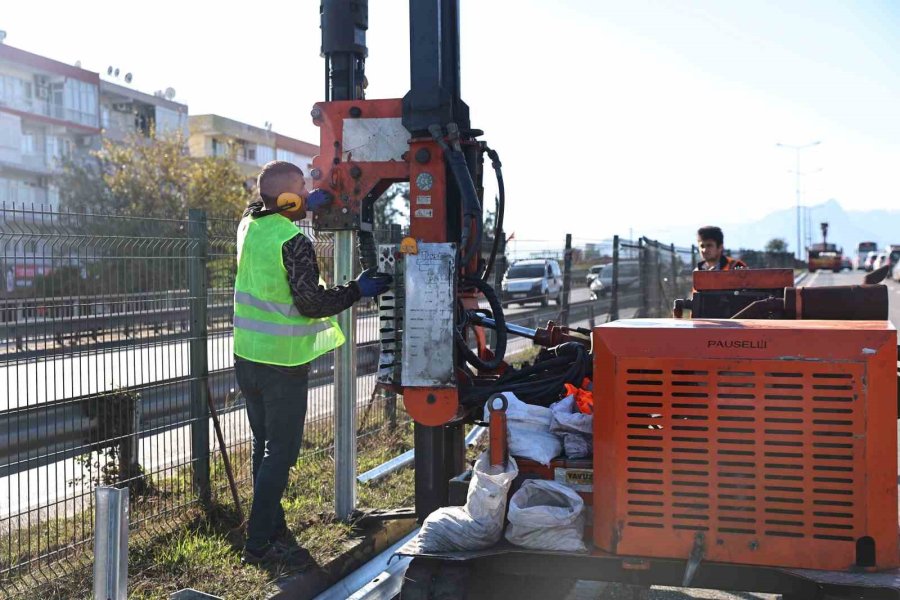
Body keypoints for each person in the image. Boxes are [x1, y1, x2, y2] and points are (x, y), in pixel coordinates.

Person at [234, 160, 391, 567]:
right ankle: (259, 545)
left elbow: (261, 207)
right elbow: (311, 304)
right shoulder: (293, 242)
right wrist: (358, 289)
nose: (309, 195)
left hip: (247, 356)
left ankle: (272, 528)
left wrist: (305, 205)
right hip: (281, 364)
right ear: (286, 200)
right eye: (302, 190)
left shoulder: (249, 224)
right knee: (280, 454)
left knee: (263, 447)